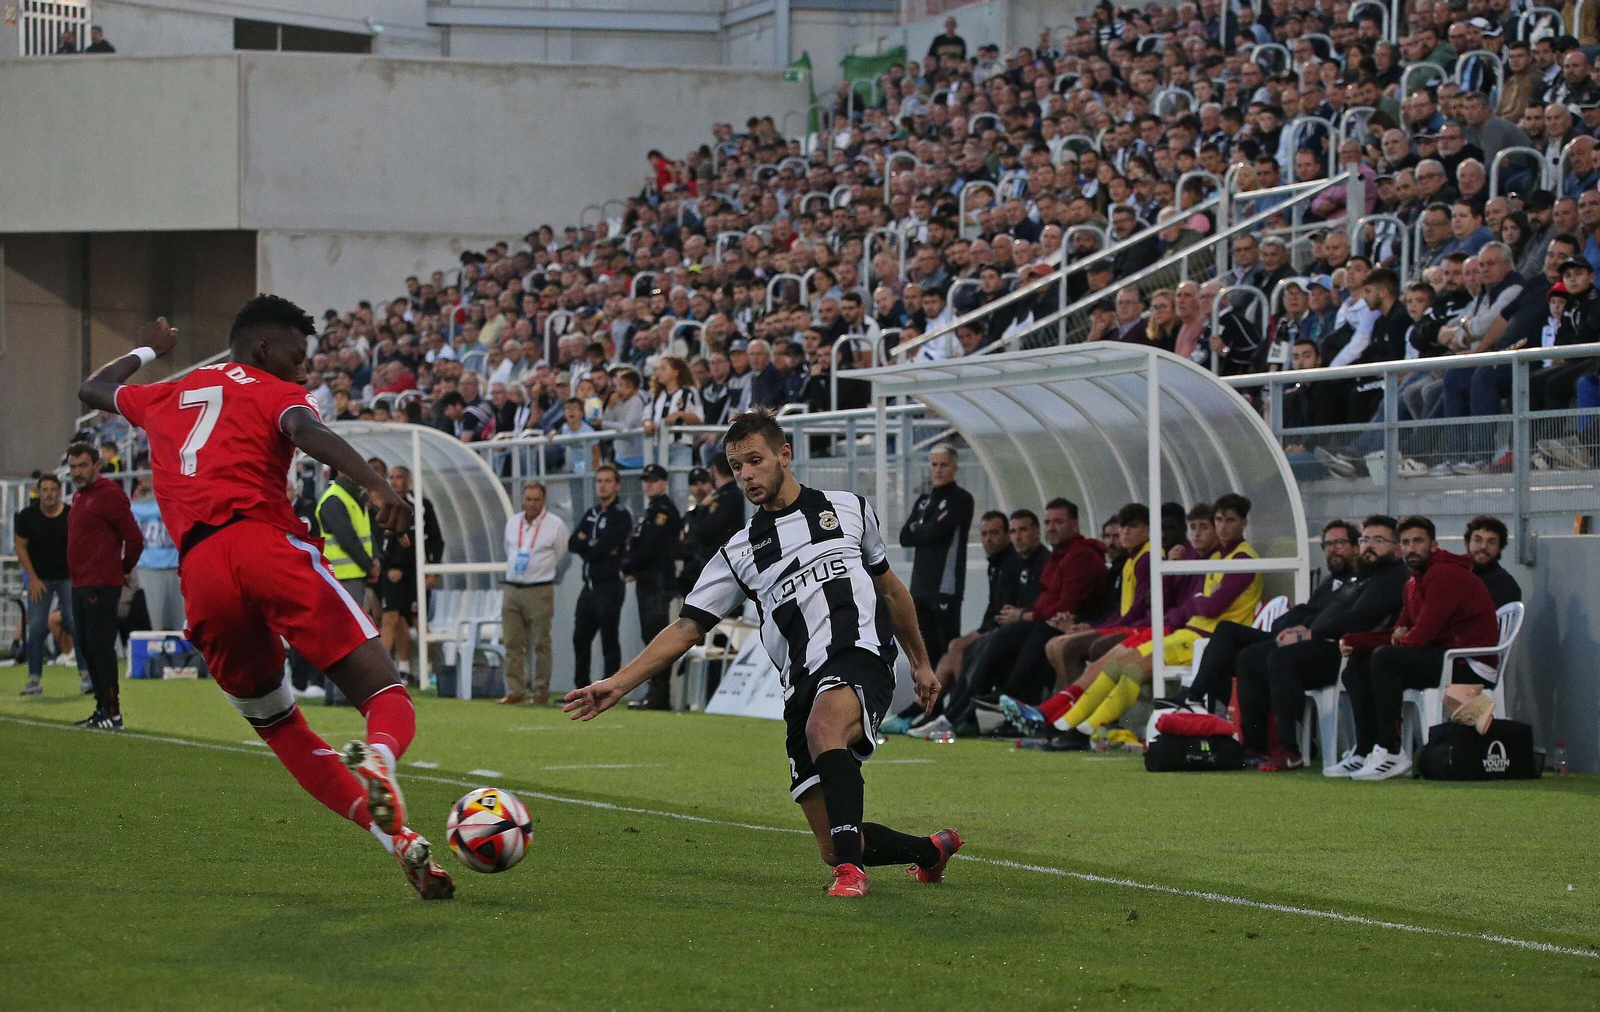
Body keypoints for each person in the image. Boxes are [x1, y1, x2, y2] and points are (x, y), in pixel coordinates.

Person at [80, 304, 454, 899]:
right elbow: (305, 430)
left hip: (202, 572)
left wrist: (149, 348)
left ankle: (400, 841)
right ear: (262, 349)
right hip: (265, 545)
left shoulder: (165, 394)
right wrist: (375, 482)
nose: (303, 372)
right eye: (297, 358)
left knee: (279, 725)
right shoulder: (273, 390)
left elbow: (93, 388)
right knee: (384, 691)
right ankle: (381, 758)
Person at [563, 409, 959, 898]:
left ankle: (851, 876)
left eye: (755, 460)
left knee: (824, 729)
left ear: (784, 454)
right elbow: (687, 627)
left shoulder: (849, 508)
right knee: (836, 841)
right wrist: (619, 683)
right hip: (800, 683)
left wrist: (920, 662)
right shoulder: (739, 551)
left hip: (861, 653)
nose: (746, 474)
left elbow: (891, 590)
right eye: (736, 467)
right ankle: (929, 851)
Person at [1050, 494, 1260, 737]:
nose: (1223, 527)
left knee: (1130, 669)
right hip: (1187, 631)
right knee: (1113, 666)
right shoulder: (1215, 558)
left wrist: (1199, 600)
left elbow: (1211, 606)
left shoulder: (1243, 559)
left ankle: (1085, 727)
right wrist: (1200, 600)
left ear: (1244, 523)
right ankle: (1067, 721)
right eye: (1219, 520)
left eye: (1230, 520)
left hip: (1205, 639)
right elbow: (1194, 602)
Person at [1233, 517, 1410, 771]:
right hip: (1328, 643)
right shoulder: (1362, 578)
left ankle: (1289, 748)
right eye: (1365, 539)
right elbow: (1327, 611)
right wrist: (1300, 629)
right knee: (1250, 658)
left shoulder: (1393, 578)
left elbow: (1359, 619)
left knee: (1281, 659)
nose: (1369, 545)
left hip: (1348, 651)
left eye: (1379, 540)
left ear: (1397, 549)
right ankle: (1255, 746)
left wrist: (1308, 635)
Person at [1337, 515, 1502, 781]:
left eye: (1418, 541)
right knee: (1357, 666)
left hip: (1470, 663)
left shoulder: (1444, 574)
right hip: (1446, 656)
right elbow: (1402, 630)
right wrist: (1357, 641)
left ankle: (1391, 751)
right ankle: (1366, 750)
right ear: (1399, 548)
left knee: (1385, 659)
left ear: (1434, 545)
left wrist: (1398, 639)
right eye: (1405, 542)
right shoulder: (1413, 582)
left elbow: (1420, 636)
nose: (1411, 548)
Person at [1180, 519, 1360, 713]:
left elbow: (1327, 618)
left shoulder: (1357, 584)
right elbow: (1306, 611)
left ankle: (1220, 712)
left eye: (1339, 543)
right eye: (1328, 544)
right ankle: (1196, 698)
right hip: (1287, 635)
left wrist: (1301, 629)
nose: (1333, 549)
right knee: (1226, 631)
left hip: (1312, 647)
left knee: (1242, 657)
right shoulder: (1329, 582)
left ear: (1356, 548)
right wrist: (1286, 625)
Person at [65, 443, 143, 729]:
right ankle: (101, 709)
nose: (77, 472)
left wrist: (123, 568)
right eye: (73, 467)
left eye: (82, 466)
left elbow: (134, 538)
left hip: (100, 584)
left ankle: (112, 712)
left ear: (97, 466)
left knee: (100, 648)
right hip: (80, 583)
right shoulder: (80, 496)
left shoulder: (109, 495)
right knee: (87, 648)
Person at [896, 444, 975, 670]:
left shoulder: (961, 499)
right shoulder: (924, 501)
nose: (938, 470)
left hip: (945, 587)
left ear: (955, 468)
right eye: (934, 465)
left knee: (947, 649)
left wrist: (921, 529)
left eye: (944, 465)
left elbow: (936, 531)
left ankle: (952, 693)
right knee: (924, 652)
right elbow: (905, 537)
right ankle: (930, 694)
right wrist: (928, 528)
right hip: (920, 587)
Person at [14, 473, 87, 696]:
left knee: (76, 622)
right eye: (45, 490)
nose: (49, 494)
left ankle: (87, 677)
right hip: (40, 579)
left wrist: (79, 575)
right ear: (39, 492)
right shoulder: (27, 517)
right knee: (36, 627)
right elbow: (20, 547)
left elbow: (82, 544)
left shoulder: (71, 514)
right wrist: (33, 579)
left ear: (59, 491)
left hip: (68, 577)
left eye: (53, 490)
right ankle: (34, 680)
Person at [500, 481, 570, 705]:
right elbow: (508, 550)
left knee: (541, 642)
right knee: (512, 641)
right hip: (512, 587)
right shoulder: (513, 522)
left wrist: (547, 574)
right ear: (523, 500)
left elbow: (562, 554)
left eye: (536, 500)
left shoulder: (555, 525)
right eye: (528, 499)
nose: (532, 504)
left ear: (544, 500)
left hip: (540, 588)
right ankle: (515, 689)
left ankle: (540, 691)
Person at [376, 465, 442, 685]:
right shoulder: (385, 507)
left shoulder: (422, 506)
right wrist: (385, 568)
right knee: (391, 619)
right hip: (392, 572)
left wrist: (433, 569)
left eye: (400, 477)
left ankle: (429, 670)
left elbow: (436, 539)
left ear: (409, 480)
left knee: (417, 618)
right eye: (392, 477)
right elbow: (380, 541)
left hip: (416, 572)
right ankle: (393, 671)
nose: (395, 481)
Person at [624, 464, 683, 710]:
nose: (648, 484)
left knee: (656, 638)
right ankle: (654, 692)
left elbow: (649, 547)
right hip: (648, 580)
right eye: (646, 480)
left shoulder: (664, 511)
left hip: (657, 582)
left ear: (664, 483)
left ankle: (659, 695)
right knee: (650, 637)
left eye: (654, 480)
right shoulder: (652, 510)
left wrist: (628, 566)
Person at [568, 464, 632, 688]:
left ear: (617, 485)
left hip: (609, 585)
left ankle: (609, 689)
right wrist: (591, 547)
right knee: (580, 638)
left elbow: (603, 547)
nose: (602, 485)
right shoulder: (591, 513)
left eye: (607, 481)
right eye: (599, 481)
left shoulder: (620, 515)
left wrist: (588, 545)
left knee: (608, 639)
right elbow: (573, 543)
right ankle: (581, 689)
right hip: (589, 587)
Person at [317, 467, 378, 612]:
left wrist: (375, 558)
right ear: (340, 470)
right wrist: (370, 566)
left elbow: (366, 533)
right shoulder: (334, 499)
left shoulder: (355, 496)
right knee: (349, 621)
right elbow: (348, 540)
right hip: (342, 577)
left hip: (355, 574)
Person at [130, 478, 184, 632]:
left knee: (179, 625)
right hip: (150, 569)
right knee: (157, 627)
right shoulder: (134, 506)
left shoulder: (176, 502)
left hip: (175, 568)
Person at [1463, 514, 1522, 607]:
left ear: (1500, 549)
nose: (1483, 546)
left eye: (1491, 542)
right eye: (1478, 540)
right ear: (1467, 543)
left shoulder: (1505, 584)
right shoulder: (1457, 575)